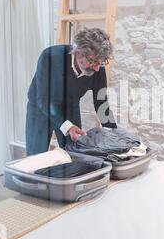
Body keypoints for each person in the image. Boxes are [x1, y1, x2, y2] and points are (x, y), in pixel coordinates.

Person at [25, 28, 117, 156]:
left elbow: (102, 104)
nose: (97, 68)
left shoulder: (98, 69)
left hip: (69, 107)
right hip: (40, 107)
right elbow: (44, 100)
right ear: (79, 52)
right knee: (35, 156)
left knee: (74, 154)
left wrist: (114, 134)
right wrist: (67, 126)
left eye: (100, 63)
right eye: (93, 62)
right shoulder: (49, 57)